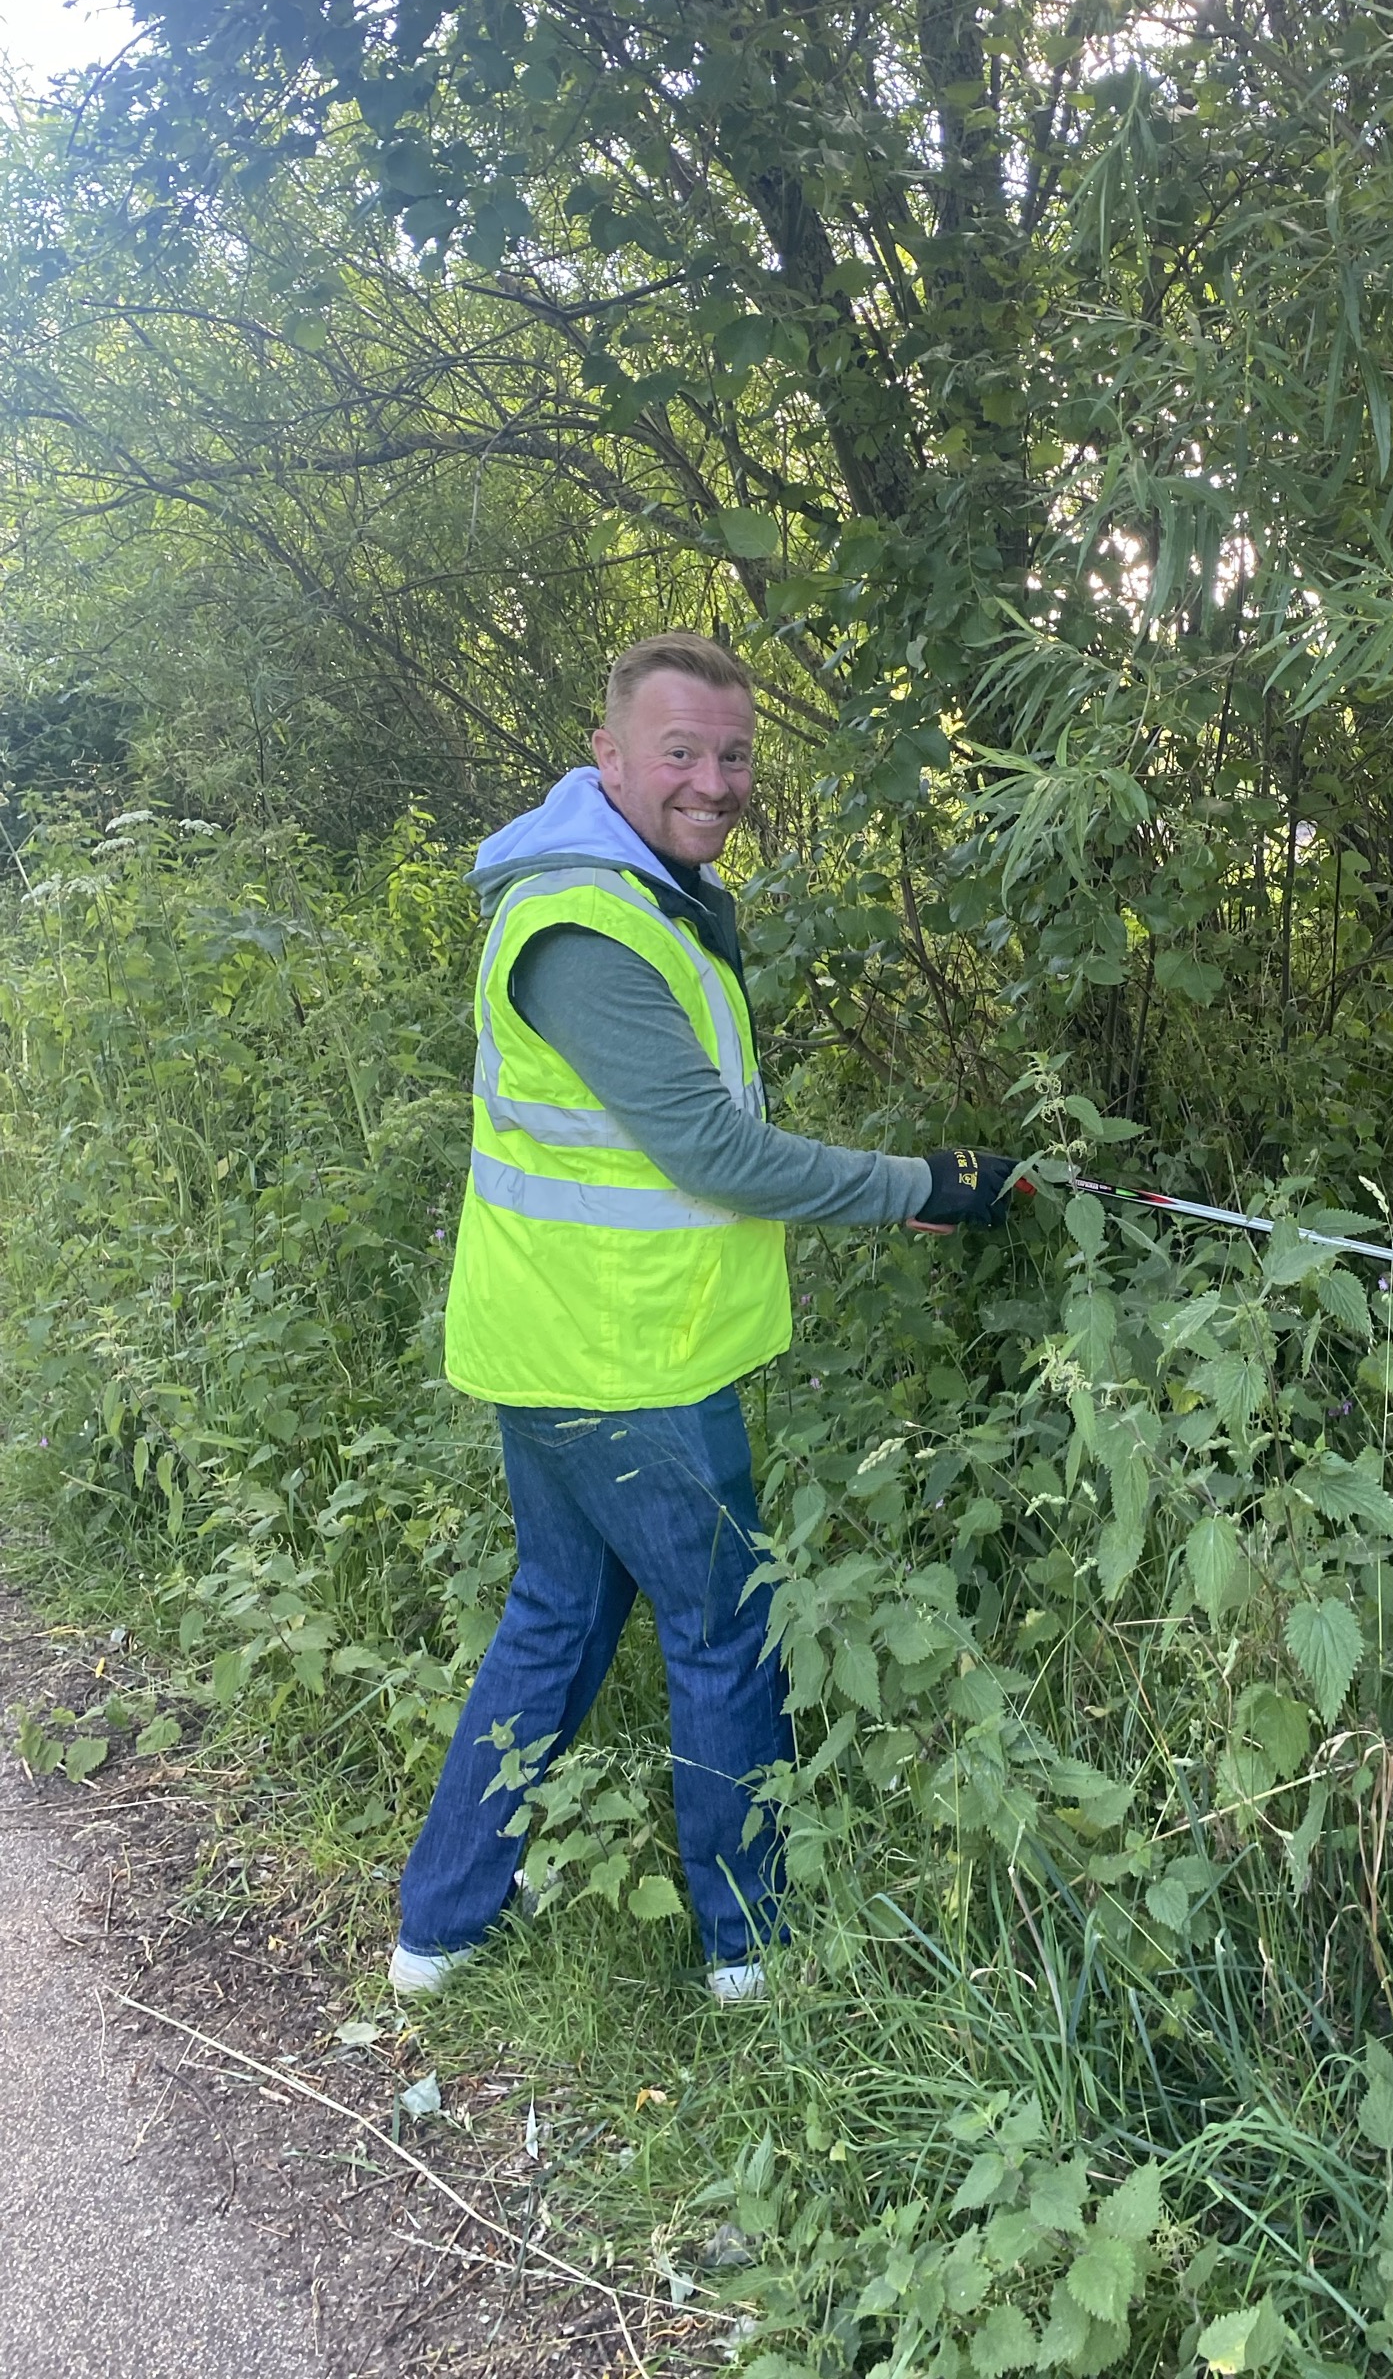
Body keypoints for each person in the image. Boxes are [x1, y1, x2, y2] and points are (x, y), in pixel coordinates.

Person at [388, 631, 1016, 2002]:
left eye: (733, 754)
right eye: (680, 752)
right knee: (726, 1626)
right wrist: (919, 1184)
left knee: (557, 1613)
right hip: (625, 1359)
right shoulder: (587, 925)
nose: (714, 780)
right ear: (606, 756)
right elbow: (714, 1156)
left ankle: (436, 1934)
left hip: (561, 1337)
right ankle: (751, 1953)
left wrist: (891, 1194)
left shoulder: (638, 889)